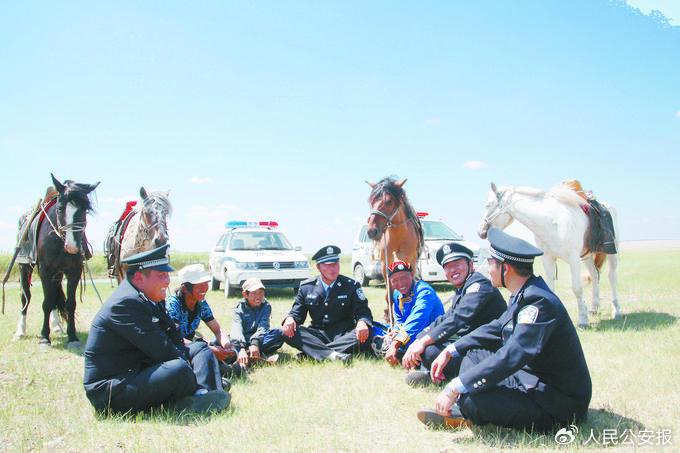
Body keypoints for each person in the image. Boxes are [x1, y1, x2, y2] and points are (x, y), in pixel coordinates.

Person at [417, 229, 592, 431]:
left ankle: (466, 409)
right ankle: (468, 402)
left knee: (472, 401)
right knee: (472, 355)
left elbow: (512, 355)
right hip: (529, 380)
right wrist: (451, 349)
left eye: (491, 263)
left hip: (557, 404)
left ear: (505, 269)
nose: (488, 268)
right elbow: (495, 328)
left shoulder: (539, 303)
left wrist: (455, 385)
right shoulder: (525, 293)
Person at [83, 244, 229, 414]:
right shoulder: (125, 304)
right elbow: (162, 351)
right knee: (178, 368)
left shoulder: (148, 296)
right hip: (112, 391)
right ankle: (201, 391)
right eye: (161, 275)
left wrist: (189, 355)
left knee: (200, 348)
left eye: (167, 275)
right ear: (138, 278)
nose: (167, 281)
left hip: (138, 371)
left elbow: (173, 335)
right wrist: (191, 366)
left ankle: (204, 394)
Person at [401, 243, 506, 386]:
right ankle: (433, 372)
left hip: (488, 350)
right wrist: (418, 341)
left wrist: (423, 343)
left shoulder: (479, 286)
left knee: (430, 351)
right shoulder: (463, 288)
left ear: (471, 264)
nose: (452, 270)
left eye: (457, 264)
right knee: (428, 349)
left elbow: (457, 319)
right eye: (448, 267)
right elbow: (445, 319)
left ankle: (438, 373)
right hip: (469, 344)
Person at [281, 245, 373, 362]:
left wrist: (362, 323)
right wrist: (290, 319)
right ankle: (334, 355)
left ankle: (313, 353)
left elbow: (363, 311)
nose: (333, 269)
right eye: (327, 265)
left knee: (367, 333)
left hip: (344, 335)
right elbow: (297, 314)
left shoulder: (351, 285)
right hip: (317, 335)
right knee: (287, 332)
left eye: (335, 264)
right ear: (318, 267)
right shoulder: (307, 287)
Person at [166, 264, 239, 381]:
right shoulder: (172, 305)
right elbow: (175, 338)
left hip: (194, 345)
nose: (205, 288)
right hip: (177, 348)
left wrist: (226, 345)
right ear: (185, 289)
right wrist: (207, 350)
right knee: (211, 360)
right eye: (199, 285)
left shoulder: (201, 303)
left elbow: (217, 330)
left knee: (231, 352)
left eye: (206, 283)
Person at [372, 260, 444, 366]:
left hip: (429, 334)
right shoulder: (397, 294)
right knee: (374, 328)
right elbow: (400, 320)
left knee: (427, 352)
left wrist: (395, 345)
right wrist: (396, 331)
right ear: (389, 281)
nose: (400, 284)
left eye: (404, 278)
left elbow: (417, 321)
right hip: (408, 334)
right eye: (395, 280)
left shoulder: (424, 292)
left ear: (411, 275)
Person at [231, 278, 284, 368]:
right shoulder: (239, 308)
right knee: (217, 341)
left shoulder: (266, 306)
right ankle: (248, 355)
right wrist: (241, 348)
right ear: (245, 294)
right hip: (243, 339)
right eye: (254, 293)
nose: (258, 296)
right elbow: (237, 328)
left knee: (280, 333)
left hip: (259, 340)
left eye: (261, 293)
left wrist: (255, 343)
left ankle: (249, 355)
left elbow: (263, 326)